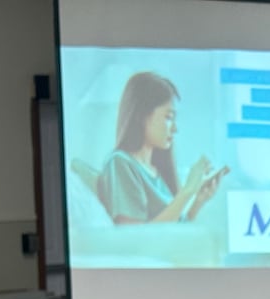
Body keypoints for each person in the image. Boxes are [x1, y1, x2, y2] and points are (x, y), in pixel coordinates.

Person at [96, 71, 227, 225]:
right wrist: (187, 191)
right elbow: (133, 235)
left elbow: (172, 231)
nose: (175, 129)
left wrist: (198, 202)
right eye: (168, 117)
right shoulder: (120, 163)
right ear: (142, 115)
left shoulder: (158, 172)